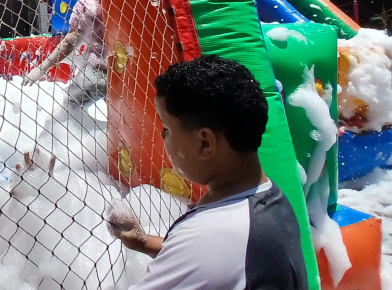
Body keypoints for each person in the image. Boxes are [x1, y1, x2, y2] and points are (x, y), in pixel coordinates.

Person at [107, 55, 308, 290]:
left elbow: (207, 251)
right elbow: (222, 259)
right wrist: (144, 242)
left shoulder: (210, 236)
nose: (163, 136)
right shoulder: (269, 199)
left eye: (167, 128)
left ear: (205, 143)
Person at [23, 0, 109, 108]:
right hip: (121, 68)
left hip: (96, 70)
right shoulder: (117, 3)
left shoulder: (86, 5)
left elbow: (71, 41)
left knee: (71, 107)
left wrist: (43, 67)